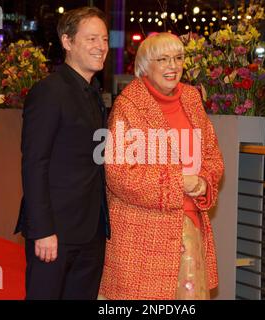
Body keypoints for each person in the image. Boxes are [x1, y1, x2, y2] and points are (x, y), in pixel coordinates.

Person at [98, 32, 224, 300]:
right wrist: (180, 182)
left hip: (190, 222)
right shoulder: (128, 106)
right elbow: (119, 174)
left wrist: (203, 181)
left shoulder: (191, 98)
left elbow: (213, 154)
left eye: (178, 58)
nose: (173, 66)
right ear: (145, 65)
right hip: (141, 233)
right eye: (163, 59)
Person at [14, 7, 110, 300]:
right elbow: (34, 163)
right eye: (91, 38)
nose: (101, 47)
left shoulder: (94, 94)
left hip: (91, 229)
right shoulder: (49, 92)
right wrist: (42, 230)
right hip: (55, 231)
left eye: (104, 39)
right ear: (67, 42)